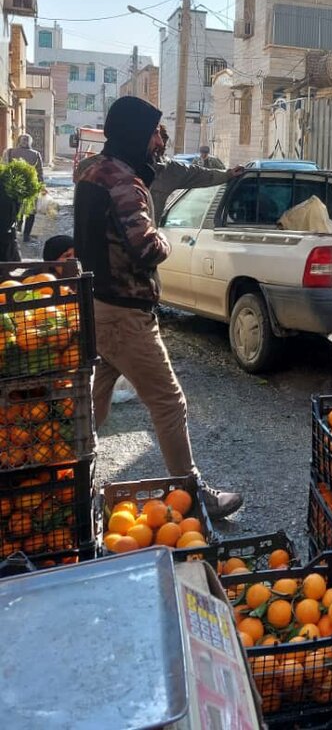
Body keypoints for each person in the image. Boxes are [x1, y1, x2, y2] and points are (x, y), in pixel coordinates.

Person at [73, 96, 242, 520]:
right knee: (169, 402)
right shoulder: (125, 184)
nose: (157, 140)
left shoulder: (90, 170)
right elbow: (147, 248)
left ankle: (69, 484)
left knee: (94, 403)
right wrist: (166, 237)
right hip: (125, 314)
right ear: (134, 132)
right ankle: (193, 494)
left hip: (95, 305)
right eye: (152, 132)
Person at [151, 126, 243, 224]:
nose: (160, 143)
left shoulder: (168, 169)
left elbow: (201, 174)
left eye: (162, 143)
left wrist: (228, 174)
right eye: (154, 135)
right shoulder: (134, 169)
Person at [5, 134, 44, 241]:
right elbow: (40, 172)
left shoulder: (10, 152)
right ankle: (26, 235)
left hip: (13, 186)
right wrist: (41, 186)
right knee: (30, 211)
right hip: (31, 186)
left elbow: (5, 168)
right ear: (30, 143)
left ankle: (13, 232)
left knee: (14, 209)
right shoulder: (36, 154)